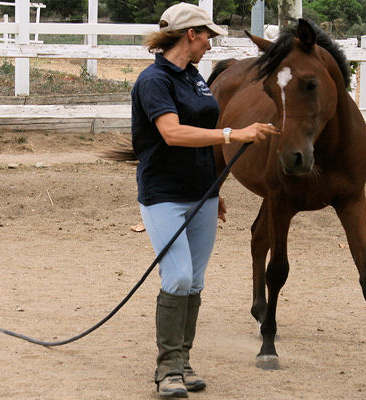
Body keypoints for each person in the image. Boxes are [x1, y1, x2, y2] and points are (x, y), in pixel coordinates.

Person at [131, 3, 279, 398]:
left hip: (202, 194)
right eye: (207, 35)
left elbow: (203, 134)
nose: (210, 43)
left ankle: (182, 363)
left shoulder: (195, 78)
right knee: (177, 277)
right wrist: (234, 134)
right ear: (190, 34)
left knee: (194, 281)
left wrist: (216, 187)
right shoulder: (154, 80)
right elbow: (173, 134)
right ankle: (166, 370)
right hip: (163, 194)